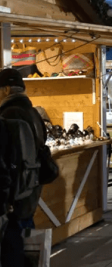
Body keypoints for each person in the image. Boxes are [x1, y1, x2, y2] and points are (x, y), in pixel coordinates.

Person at [0, 68, 55, 266]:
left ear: (6, 89)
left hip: (17, 189)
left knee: (15, 242)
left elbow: (8, 156)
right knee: (25, 235)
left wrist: (7, 195)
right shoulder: (32, 111)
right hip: (30, 183)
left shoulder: (9, 113)